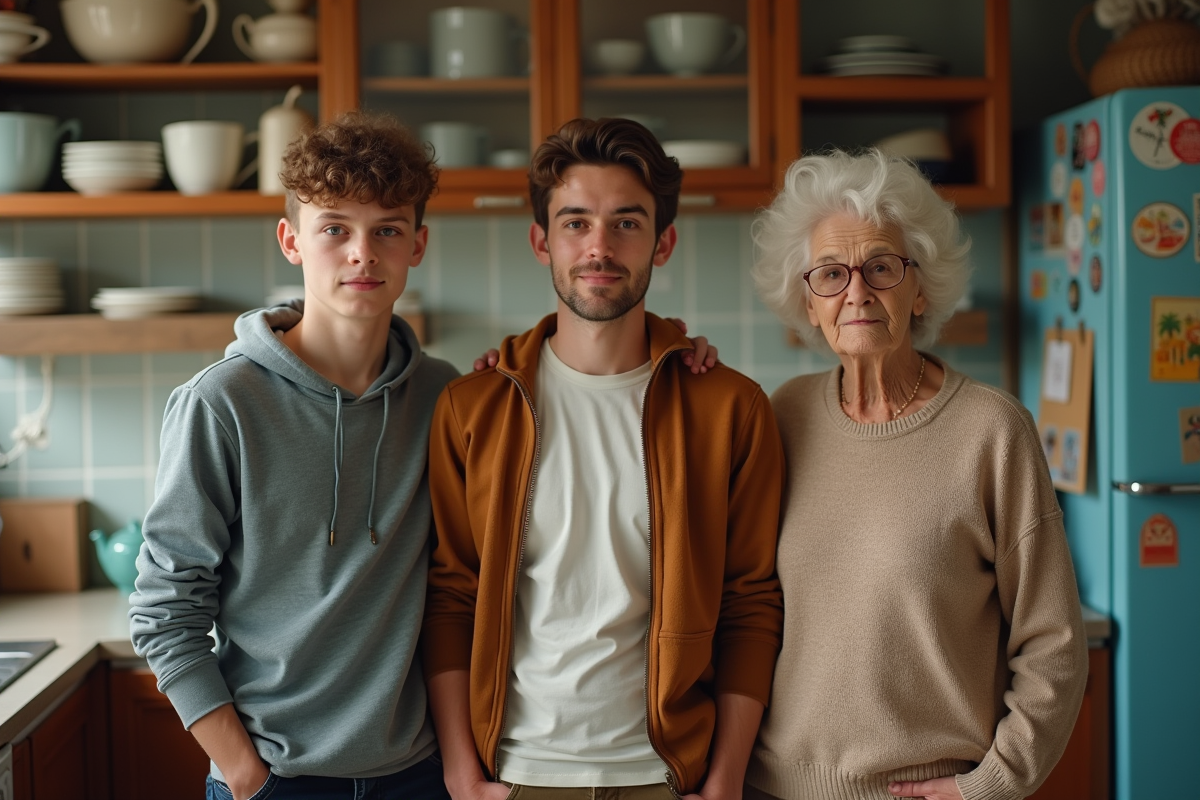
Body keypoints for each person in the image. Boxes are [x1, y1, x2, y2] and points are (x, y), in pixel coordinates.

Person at [422, 117, 786, 800]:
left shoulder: (731, 409)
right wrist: (460, 771)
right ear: (541, 241)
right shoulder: (473, 408)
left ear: (664, 241)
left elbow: (751, 604)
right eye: (575, 223)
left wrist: (727, 778)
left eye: (626, 222)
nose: (599, 247)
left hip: (670, 777)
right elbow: (451, 598)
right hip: (518, 775)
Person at [128, 112, 459, 800]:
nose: (362, 253)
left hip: (419, 776)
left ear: (417, 244)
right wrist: (249, 775)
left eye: (387, 229)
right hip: (277, 779)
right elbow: (165, 610)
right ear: (292, 241)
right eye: (335, 228)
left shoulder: (446, 399)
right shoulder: (221, 404)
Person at [744, 149, 1088, 800]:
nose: (856, 292)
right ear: (807, 303)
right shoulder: (780, 416)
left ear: (921, 285)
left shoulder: (991, 431)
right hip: (774, 787)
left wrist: (988, 785)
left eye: (882, 267)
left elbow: (1055, 645)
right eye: (829, 274)